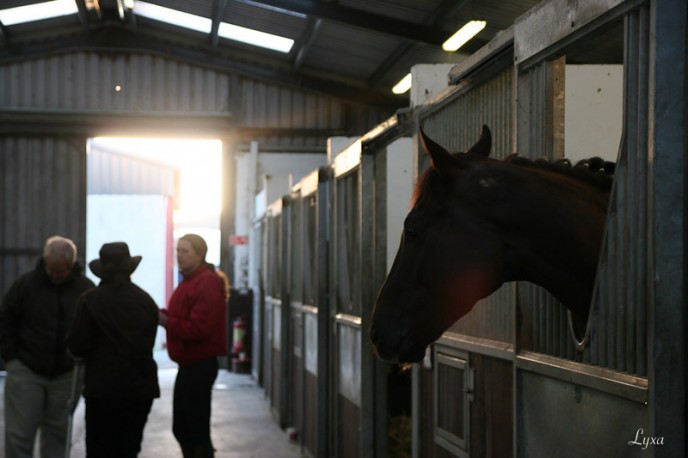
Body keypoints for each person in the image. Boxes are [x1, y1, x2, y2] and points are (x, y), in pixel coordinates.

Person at [0, 235, 95, 458]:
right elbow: (6, 320)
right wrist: (11, 359)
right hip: (26, 369)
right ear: (45, 261)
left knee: (58, 435)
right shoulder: (25, 285)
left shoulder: (86, 289)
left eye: (61, 272)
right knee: (19, 435)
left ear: (72, 265)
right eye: (52, 270)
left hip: (66, 374)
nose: (55, 276)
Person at [66, 242, 160, 458]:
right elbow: (148, 342)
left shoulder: (90, 301)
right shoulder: (145, 301)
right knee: (128, 449)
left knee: (100, 450)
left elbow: (77, 345)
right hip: (139, 389)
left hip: (103, 389)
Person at [159, 233, 227, 458]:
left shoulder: (205, 282)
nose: (179, 256)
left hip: (199, 363)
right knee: (183, 427)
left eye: (185, 251)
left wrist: (167, 322)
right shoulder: (189, 281)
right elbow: (183, 315)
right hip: (188, 363)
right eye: (178, 250)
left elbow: (199, 328)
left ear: (199, 255)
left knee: (194, 429)